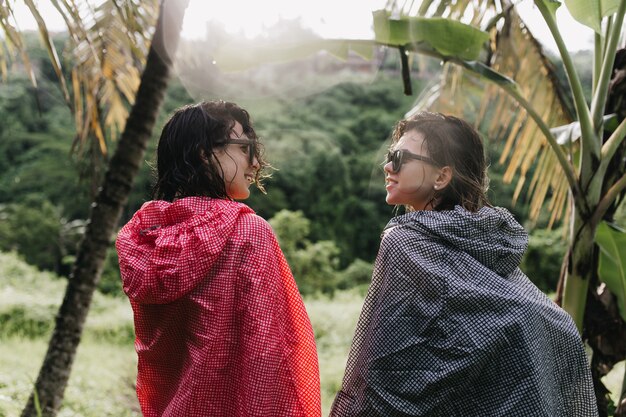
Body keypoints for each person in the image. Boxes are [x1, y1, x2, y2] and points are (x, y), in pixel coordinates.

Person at [330, 112, 598, 416]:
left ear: (442, 177)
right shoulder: (489, 237)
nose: (388, 166)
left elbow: (381, 360)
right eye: (390, 156)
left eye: (400, 157)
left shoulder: (404, 240)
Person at [115, 101, 321, 417]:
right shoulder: (247, 230)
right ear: (204, 152)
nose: (254, 163)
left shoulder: (144, 237)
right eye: (244, 148)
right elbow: (271, 353)